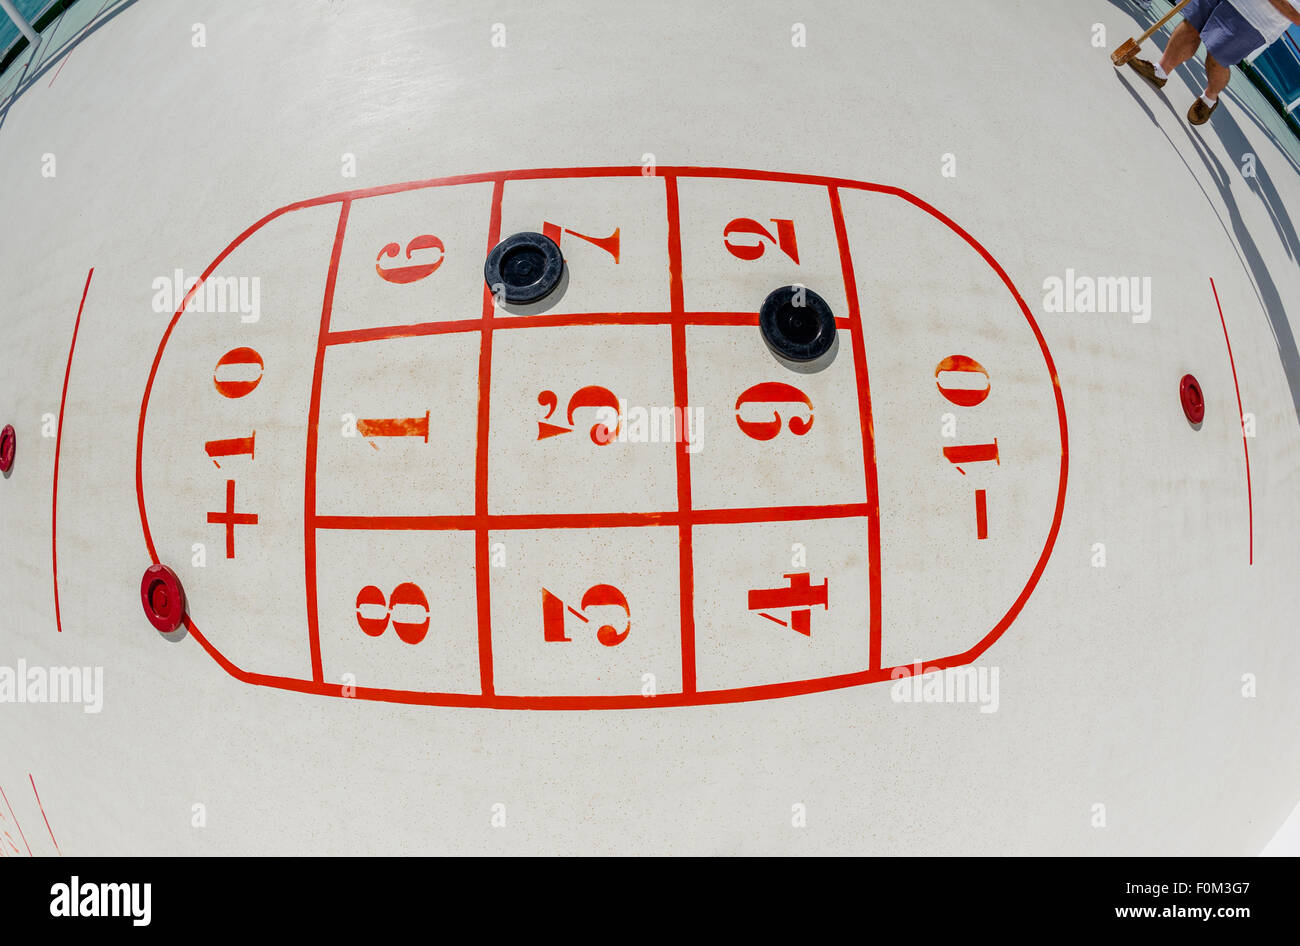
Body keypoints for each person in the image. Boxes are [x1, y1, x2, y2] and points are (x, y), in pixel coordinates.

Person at [1129, 0, 1300, 124]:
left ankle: (1209, 98)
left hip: (1255, 21)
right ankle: (1160, 71)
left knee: (1216, 59)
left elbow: (1297, 16)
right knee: (1191, 25)